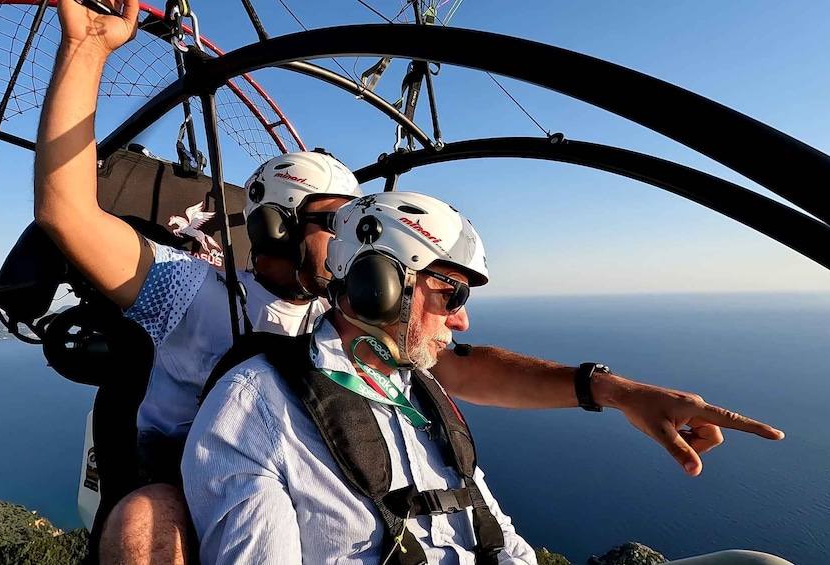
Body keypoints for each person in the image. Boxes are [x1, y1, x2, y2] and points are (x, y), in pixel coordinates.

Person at [35, 1, 785, 563]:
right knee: (145, 524)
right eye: (337, 218)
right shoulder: (192, 294)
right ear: (275, 228)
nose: (356, 236)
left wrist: (611, 388)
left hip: (313, 463)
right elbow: (69, 213)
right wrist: (87, 46)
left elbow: (462, 366)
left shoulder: (351, 326)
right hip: (192, 476)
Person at [183, 191, 793, 565]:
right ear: (377, 286)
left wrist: (620, 391)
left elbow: (495, 532)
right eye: (449, 293)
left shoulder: (418, 391)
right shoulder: (257, 407)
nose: (462, 317)